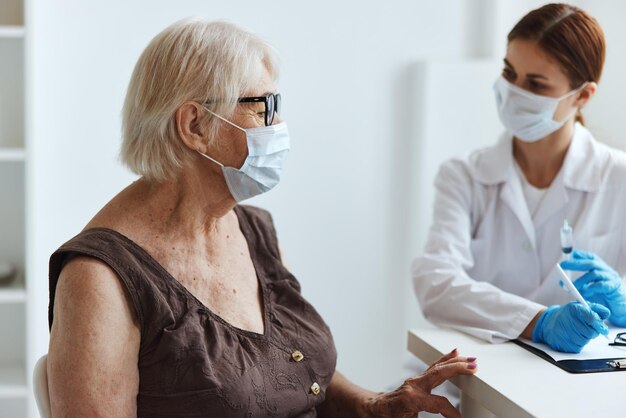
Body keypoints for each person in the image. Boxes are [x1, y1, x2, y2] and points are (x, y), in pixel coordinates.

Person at [47, 19, 477, 417]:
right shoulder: (99, 278)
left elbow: (293, 372)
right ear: (195, 124)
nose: (280, 124)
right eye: (263, 107)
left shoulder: (253, 231)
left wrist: (375, 405)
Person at [413, 3, 626, 354]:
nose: (513, 91)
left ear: (583, 95)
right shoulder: (464, 176)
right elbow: (436, 284)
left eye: (536, 84)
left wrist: (622, 303)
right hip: (471, 378)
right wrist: (538, 321)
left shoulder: (618, 178)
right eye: (509, 73)